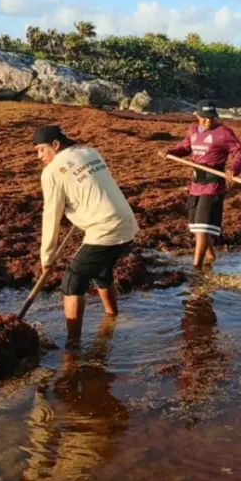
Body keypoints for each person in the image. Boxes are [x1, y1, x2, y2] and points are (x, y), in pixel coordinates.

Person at [34, 125, 139, 342]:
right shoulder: (91, 152)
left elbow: (51, 214)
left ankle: (72, 345)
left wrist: (47, 256)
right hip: (126, 220)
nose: (39, 156)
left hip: (105, 227)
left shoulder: (51, 172)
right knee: (102, 272)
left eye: (41, 150)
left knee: (73, 280)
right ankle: (112, 317)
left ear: (55, 145)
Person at [164, 100, 241, 271]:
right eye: (205, 118)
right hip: (196, 184)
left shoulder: (223, 132)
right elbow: (185, 148)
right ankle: (210, 257)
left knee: (202, 229)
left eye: (212, 118)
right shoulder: (193, 130)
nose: (209, 121)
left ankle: (196, 268)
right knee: (196, 228)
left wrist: (234, 169)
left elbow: (239, 151)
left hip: (213, 186)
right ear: (197, 116)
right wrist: (170, 152)